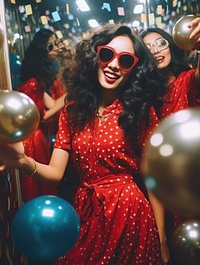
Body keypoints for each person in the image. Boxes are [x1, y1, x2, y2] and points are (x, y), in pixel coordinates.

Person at [0, 24, 169, 264]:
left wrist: (161, 238)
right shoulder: (73, 109)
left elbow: (155, 180)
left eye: (126, 60)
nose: (113, 65)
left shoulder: (140, 111)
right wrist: (24, 162)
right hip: (86, 211)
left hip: (129, 213)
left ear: (134, 69)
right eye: (107, 54)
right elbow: (56, 173)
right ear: (95, 56)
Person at [141, 16, 200, 264]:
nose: (155, 51)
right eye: (148, 48)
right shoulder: (144, 101)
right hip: (170, 193)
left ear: (172, 46)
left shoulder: (187, 80)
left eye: (161, 43)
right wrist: (160, 240)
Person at [17, 28, 66, 202]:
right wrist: (68, 97)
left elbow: (51, 105)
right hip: (32, 139)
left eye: (55, 44)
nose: (55, 49)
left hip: (38, 137)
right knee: (38, 185)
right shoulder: (33, 83)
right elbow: (41, 117)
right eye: (49, 46)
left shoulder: (39, 80)